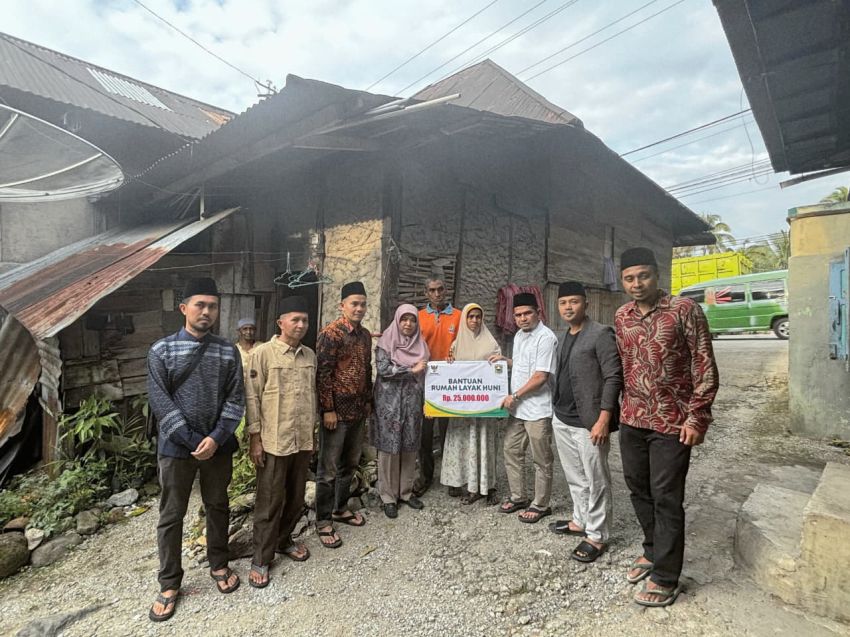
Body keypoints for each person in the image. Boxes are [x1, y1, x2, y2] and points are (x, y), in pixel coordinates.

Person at [615, 247, 719, 607]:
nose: (636, 283)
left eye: (643, 276)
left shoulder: (684, 310)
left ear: (657, 275)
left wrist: (698, 415)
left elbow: (704, 364)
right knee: (637, 488)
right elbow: (624, 367)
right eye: (629, 278)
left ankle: (666, 575)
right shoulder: (622, 316)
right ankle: (652, 548)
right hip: (632, 418)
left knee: (666, 497)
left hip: (672, 422)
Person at [146, 277, 244, 622]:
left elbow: (236, 399)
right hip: (176, 449)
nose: (206, 311)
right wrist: (190, 440)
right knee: (172, 515)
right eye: (200, 305)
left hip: (217, 446)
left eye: (212, 306)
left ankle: (219, 564)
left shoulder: (228, 350)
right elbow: (160, 400)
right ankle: (169, 582)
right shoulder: (162, 351)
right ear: (184, 308)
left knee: (218, 506)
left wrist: (216, 437)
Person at [244, 296, 317, 588]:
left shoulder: (310, 355)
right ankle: (261, 557)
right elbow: (252, 398)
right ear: (281, 323)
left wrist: (312, 436)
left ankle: (285, 540)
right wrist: (255, 438)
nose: (300, 325)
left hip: (301, 440)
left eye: (305, 321)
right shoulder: (262, 354)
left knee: (296, 497)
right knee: (269, 501)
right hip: (274, 440)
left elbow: (312, 396)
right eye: (295, 320)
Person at [550, 281, 622, 563]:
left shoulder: (601, 334)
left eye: (574, 302)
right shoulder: (563, 335)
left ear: (586, 304)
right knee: (575, 476)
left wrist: (604, 418)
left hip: (589, 421)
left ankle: (598, 535)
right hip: (563, 416)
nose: (568, 307)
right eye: (563, 303)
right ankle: (580, 520)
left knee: (596, 478)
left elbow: (614, 377)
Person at [491, 292, 558, 523]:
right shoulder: (519, 335)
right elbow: (523, 365)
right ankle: (519, 496)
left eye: (527, 313)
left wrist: (515, 395)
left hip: (538, 409)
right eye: (518, 314)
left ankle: (541, 505)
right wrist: (506, 361)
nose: (522, 318)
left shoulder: (546, 338)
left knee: (541, 459)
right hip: (519, 409)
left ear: (538, 313)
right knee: (511, 449)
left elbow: (541, 376)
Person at [315, 281, 372, 548]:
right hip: (335, 414)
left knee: (349, 464)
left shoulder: (365, 336)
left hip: (358, 411)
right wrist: (327, 409)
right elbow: (323, 375)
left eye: (362, 304)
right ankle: (323, 520)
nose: (359, 308)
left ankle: (340, 508)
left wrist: (368, 403)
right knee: (328, 469)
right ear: (343, 306)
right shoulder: (331, 334)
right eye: (354, 304)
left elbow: (367, 371)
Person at [370, 304, 429, 518]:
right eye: (404, 319)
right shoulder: (386, 342)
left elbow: (428, 377)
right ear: (397, 320)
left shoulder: (421, 346)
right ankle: (388, 496)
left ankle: (405, 492)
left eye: (412, 320)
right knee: (389, 449)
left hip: (412, 404)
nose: (408, 324)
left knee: (409, 446)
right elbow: (384, 370)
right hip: (389, 405)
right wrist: (411, 370)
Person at [441, 303, 502, 505]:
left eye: (478, 317)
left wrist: (499, 362)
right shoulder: (456, 345)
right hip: (462, 409)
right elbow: (449, 375)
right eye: (470, 317)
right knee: (462, 443)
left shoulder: (491, 343)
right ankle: (466, 483)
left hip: (484, 409)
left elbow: (498, 370)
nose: (474, 320)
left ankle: (486, 485)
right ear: (464, 319)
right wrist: (449, 364)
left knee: (484, 443)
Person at [415, 275, 462, 496]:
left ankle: (452, 478)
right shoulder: (418, 317)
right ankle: (425, 477)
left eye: (440, 289)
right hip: (424, 383)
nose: (436, 294)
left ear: (446, 290)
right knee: (425, 434)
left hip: (449, 384)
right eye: (432, 290)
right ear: (426, 293)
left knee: (449, 433)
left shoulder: (459, 316)